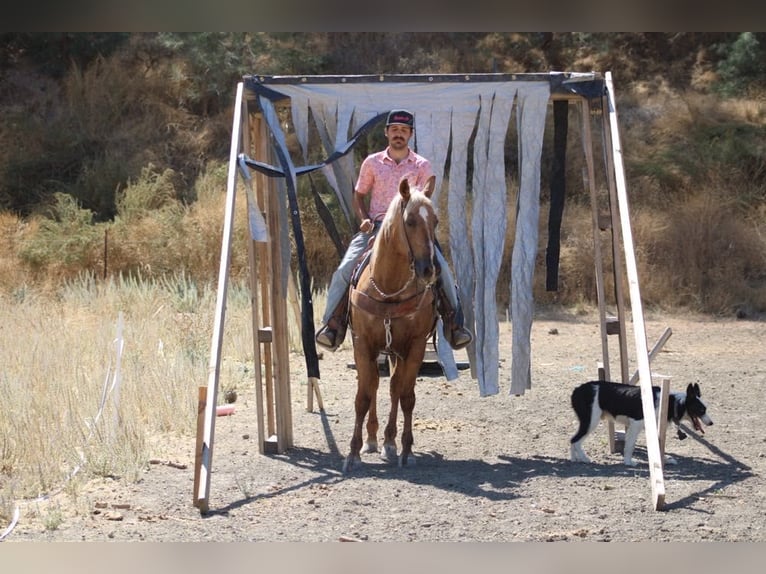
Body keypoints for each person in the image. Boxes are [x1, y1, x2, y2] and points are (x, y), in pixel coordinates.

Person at [315, 109, 473, 352]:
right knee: (345, 269)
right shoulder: (372, 162)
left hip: (413, 230)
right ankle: (333, 325)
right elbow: (358, 195)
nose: (399, 134)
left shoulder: (422, 165)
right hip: (378, 227)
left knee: (441, 270)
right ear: (387, 132)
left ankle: (454, 325)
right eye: (394, 130)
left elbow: (425, 201)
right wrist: (364, 219)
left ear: (410, 134)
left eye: (404, 130)